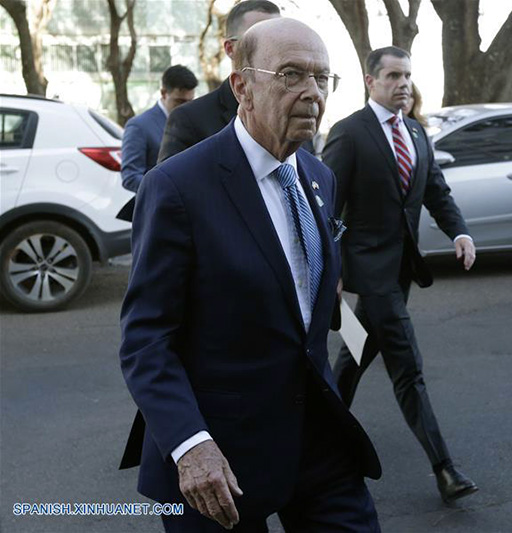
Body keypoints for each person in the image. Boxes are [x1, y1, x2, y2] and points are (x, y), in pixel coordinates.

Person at [119, 18, 381, 532]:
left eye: (322, 78)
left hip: (318, 442)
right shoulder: (177, 186)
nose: (311, 92)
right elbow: (146, 337)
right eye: (290, 75)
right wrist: (190, 445)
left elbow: (307, 301)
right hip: (219, 460)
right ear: (242, 85)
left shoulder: (318, 175)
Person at [322, 45, 478, 504]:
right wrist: (328, 267)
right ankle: (444, 468)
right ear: (370, 82)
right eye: (392, 76)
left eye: (407, 75)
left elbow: (435, 190)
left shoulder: (415, 131)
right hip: (368, 271)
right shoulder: (349, 133)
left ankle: (322, 430)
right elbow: (326, 208)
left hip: (402, 269)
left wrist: (460, 233)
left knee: (354, 356)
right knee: (407, 367)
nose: (403, 84)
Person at [156, 0, 280, 163]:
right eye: (257, 39)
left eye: (278, 40)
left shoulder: (296, 111)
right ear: (230, 48)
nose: (272, 48)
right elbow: (170, 185)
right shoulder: (190, 119)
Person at [121, 65, 197, 192]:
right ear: (163, 93)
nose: (186, 107)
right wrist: (167, 191)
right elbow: (130, 176)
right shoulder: (139, 126)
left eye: (190, 101)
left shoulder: (195, 121)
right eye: (179, 101)